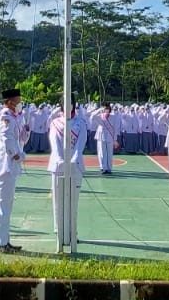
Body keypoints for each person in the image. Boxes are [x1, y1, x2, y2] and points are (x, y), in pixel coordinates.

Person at [0, 88, 29, 254]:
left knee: (7, 204)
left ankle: (4, 240)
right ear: (9, 102)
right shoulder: (6, 117)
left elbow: (20, 139)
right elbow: (7, 140)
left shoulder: (16, 117)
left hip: (11, 166)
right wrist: (16, 155)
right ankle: (0, 243)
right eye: (17, 100)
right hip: (5, 165)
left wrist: (26, 131)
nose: (20, 103)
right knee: (3, 205)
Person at [48, 96, 87, 246]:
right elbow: (54, 143)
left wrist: (73, 160)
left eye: (70, 103)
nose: (68, 106)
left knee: (73, 201)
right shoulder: (55, 123)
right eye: (65, 103)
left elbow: (80, 144)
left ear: (74, 105)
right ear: (61, 106)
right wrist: (60, 161)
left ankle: (72, 232)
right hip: (58, 166)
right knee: (58, 201)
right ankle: (59, 230)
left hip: (75, 166)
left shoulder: (80, 123)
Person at [89, 103, 121, 174]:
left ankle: (109, 168)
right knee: (101, 153)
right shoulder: (100, 116)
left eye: (107, 109)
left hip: (110, 136)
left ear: (110, 110)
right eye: (105, 109)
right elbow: (92, 117)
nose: (106, 110)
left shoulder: (113, 117)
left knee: (109, 153)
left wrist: (115, 139)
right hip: (101, 136)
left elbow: (115, 128)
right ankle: (103, 168)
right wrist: (100, 109)